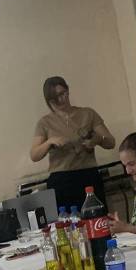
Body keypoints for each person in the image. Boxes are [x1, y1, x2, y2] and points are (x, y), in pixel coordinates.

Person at [30, 76, 116, 208]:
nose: (61, 99)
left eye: (63, 94)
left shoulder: (88, 113)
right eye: (56, 98)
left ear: (68, 90)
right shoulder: (45, 123)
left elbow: (110, 142)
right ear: (49, 100)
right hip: (61, 179)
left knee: (96, 215)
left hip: (88, 175)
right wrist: (49, 142)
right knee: (67, 218)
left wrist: (97, 140)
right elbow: (34, 155)